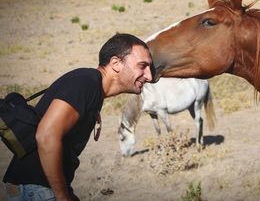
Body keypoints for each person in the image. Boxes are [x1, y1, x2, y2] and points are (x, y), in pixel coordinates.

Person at [2, 33, 153, 201]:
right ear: (116, 63)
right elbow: (46, 136)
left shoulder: (92, 87)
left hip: (40, 187)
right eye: (142, 66)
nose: (149, 76)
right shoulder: (86, 83)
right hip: (36, 188)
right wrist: (62, 195)